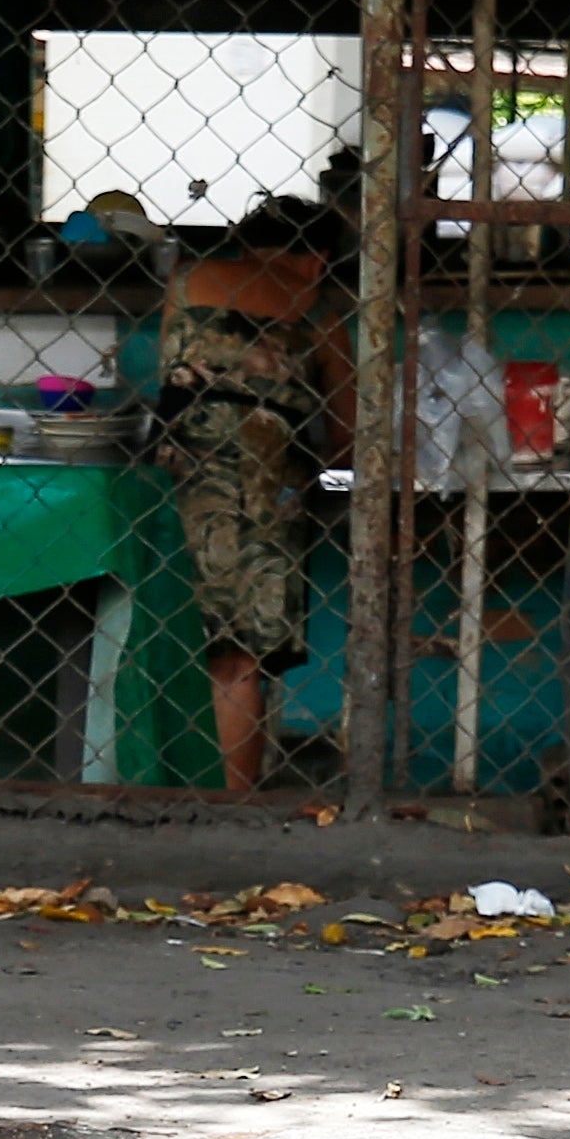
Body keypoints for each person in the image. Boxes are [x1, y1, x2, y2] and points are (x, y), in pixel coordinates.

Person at [152, 194, 350, 792]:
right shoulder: (320, 311)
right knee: (237, 663)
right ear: (318, 259)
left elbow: (171, 380)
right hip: (269, 487)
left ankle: (156, 786)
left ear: (244, 245)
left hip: (176, 475)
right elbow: (347, 438)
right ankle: (233, 807)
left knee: (172, 641)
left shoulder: (188, 282)